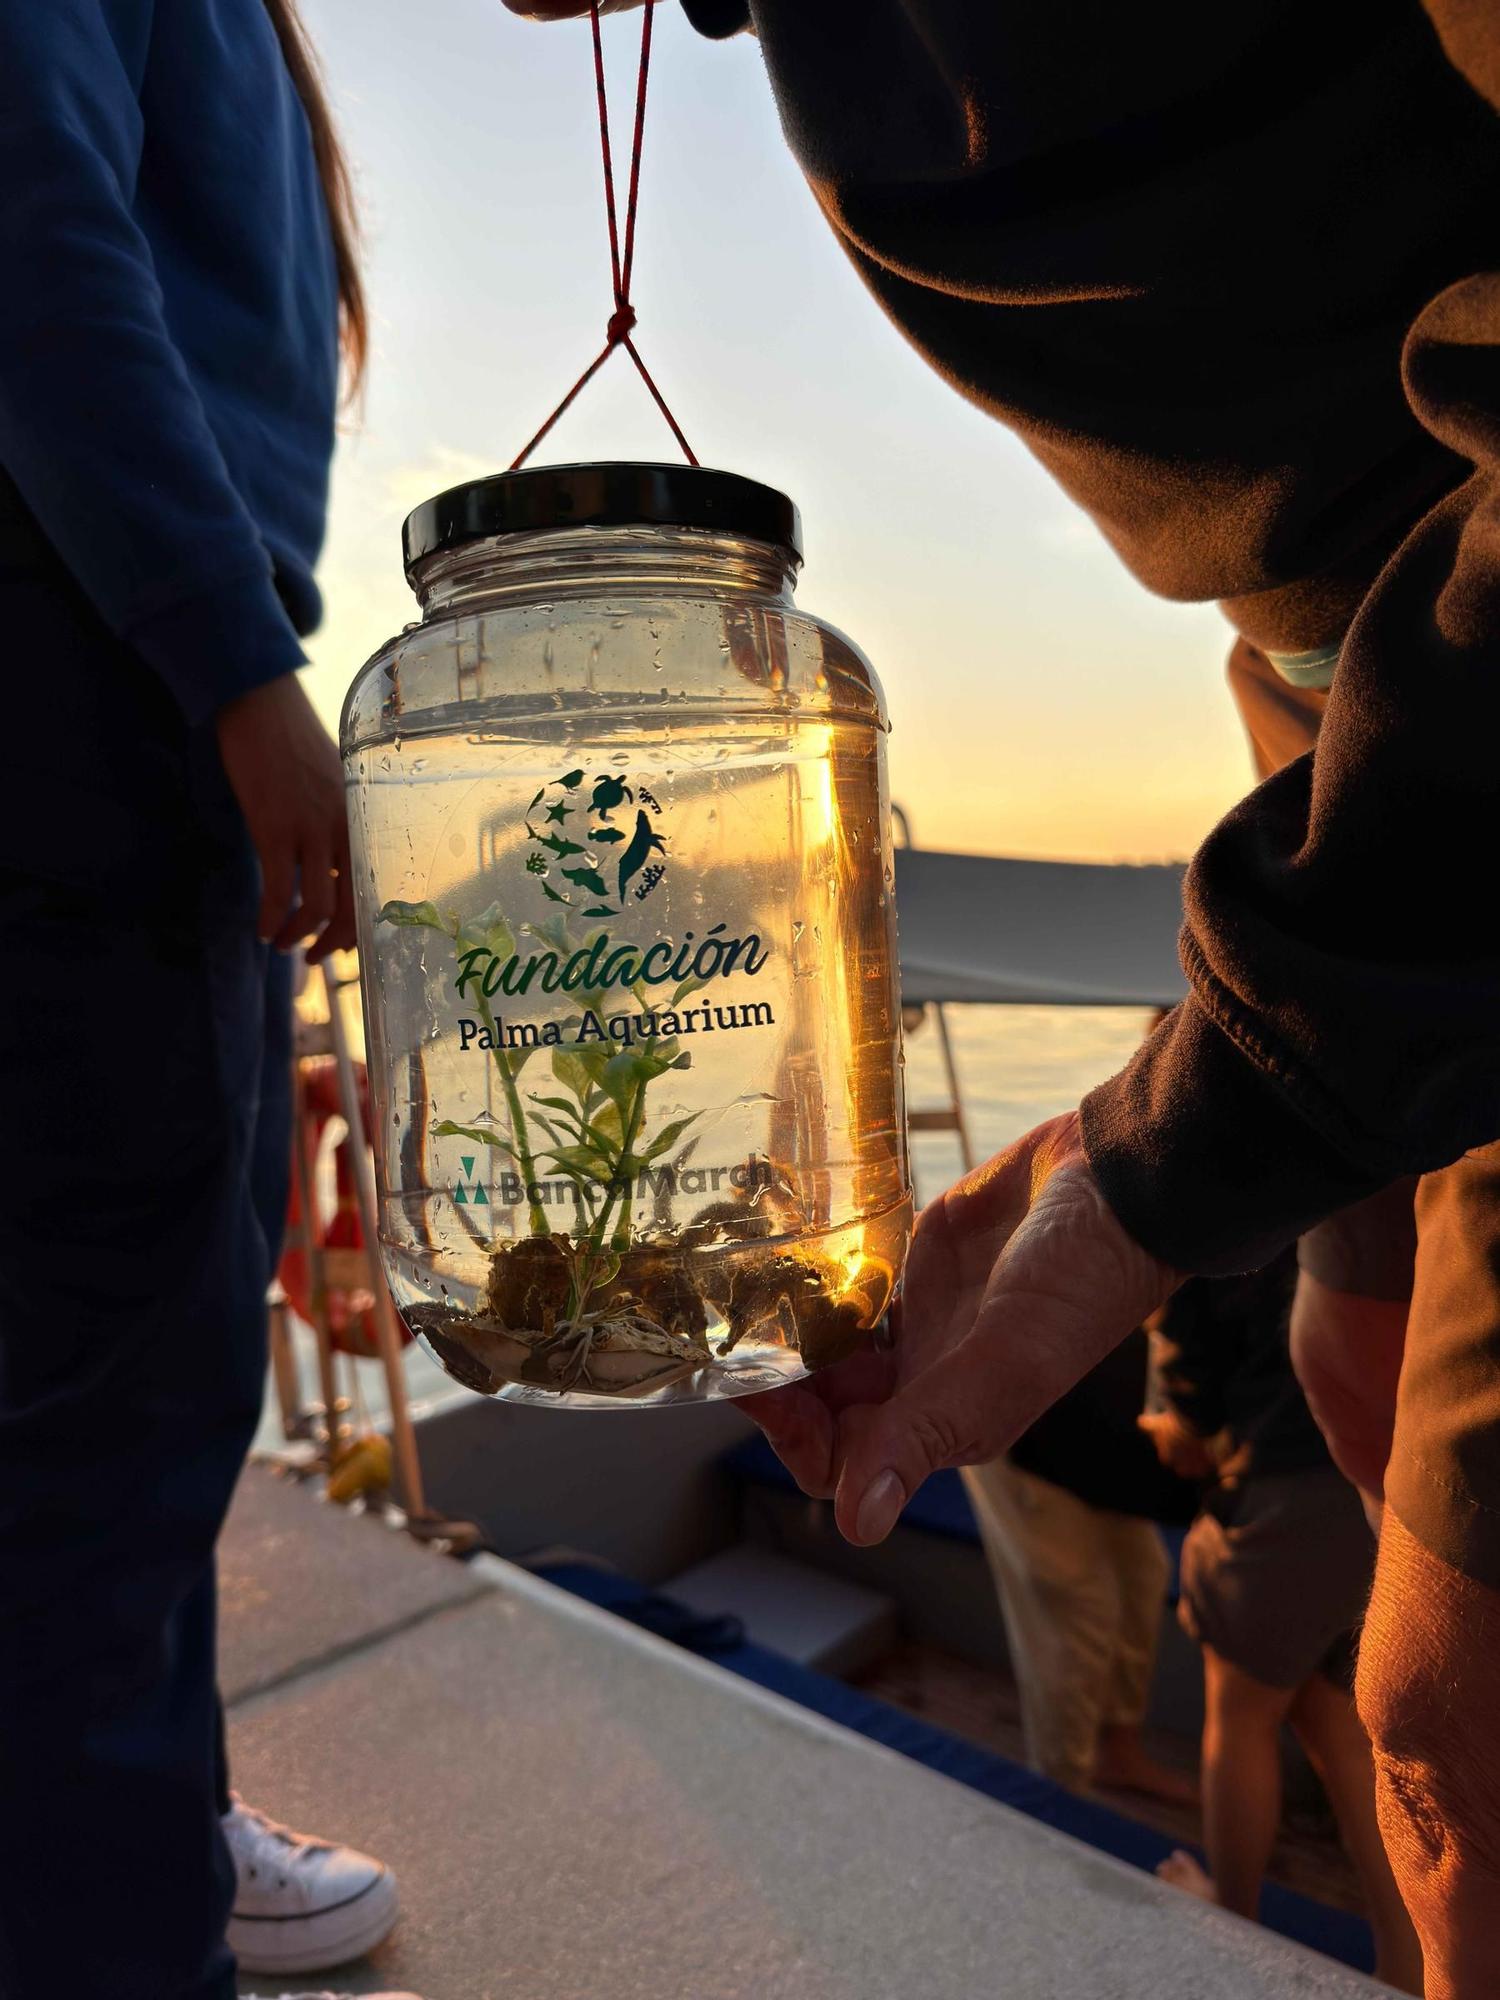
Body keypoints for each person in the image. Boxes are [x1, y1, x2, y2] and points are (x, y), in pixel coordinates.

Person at [507, 5, 1500, 1993]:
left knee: (1461, 1721)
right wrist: (1338, 1190)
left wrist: (1237, 1106)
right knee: (1430, 1719)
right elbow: (1329, 597)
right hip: (1412, 830)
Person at [0, 5, 421, 1997]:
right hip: (98, 689)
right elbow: (29, 218)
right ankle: (116, 1918)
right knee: (125, 1397)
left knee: (106, 1366)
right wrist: (237, 667)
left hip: (111, 666)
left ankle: (140, 1812)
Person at [1139, 1256, 1422, 1993]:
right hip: (1388, 1490)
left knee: (1239, 1716)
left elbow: (1192, 1399)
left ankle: (1230, 1923)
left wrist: (1178, 1427)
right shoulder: (1393, 1189)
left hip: (1289, 1495)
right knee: (1337, 1727)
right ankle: (1407, 1961)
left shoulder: (1213, 1207)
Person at [963, 1327, 1199, 1801]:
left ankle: (1118, 1754)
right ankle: (1060, 1795)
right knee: (1075, 1614)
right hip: (1020, 1422)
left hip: (1099, 1414)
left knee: (1142, 1576)